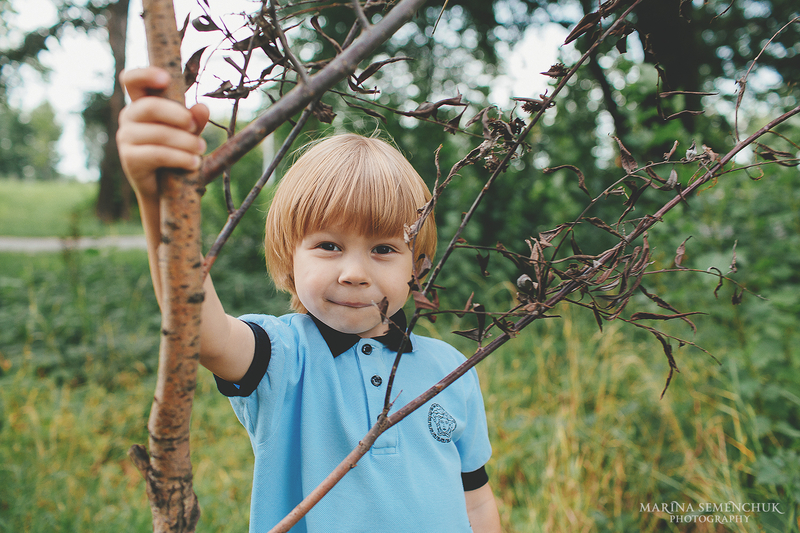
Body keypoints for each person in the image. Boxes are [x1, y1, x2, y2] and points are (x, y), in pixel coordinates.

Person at [117, 66, 502, 533]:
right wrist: (159, 199)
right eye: (329, 245)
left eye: (384, 249)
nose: (355, 273)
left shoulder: (451, 369)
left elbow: (476, 500)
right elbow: (204, 333)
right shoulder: (282, 357)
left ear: (417, 267)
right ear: (288, 258)